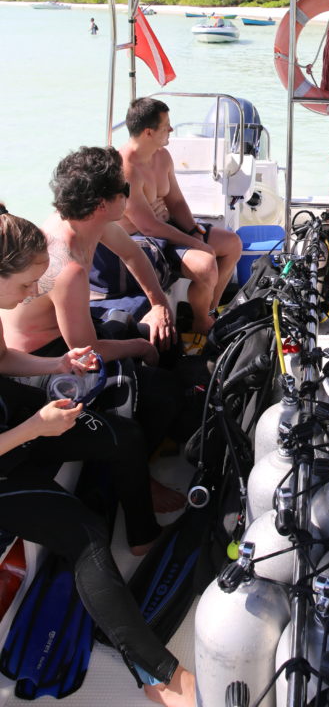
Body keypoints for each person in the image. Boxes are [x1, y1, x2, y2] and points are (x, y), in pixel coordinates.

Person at [0, 206, 194, 706]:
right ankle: (162, 678)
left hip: (17, 417)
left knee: (125, 437)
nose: (33, 296)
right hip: (6, 454)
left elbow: (2, 360)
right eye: (26, 286)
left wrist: (58, 362)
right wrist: (34, 429)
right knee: (84, 534)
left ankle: (143, 536)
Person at [0, 147, 184, 510]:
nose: (130, 194)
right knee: (138, 384)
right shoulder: (62, 259)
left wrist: (161, 304)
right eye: (124, 190)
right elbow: (84, 346)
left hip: (64, 338)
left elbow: (134, 255)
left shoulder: (95, 225)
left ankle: (152, 444)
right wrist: (138, 347)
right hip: (38, 355)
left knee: (151, 336)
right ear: (104, 203)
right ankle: (134, 480)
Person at [119, 97, 242, 341]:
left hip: (166, 227)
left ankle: (206, 313)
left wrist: (193, 230)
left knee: (232, 244)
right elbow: (147, 225)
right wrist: (195, 243)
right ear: (148, 132)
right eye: (166, 126)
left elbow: (175, 201)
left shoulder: (161, 156)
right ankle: (199, 324)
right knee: (206, 265)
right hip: (141, 240)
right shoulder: (125, 168)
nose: (172, 130)